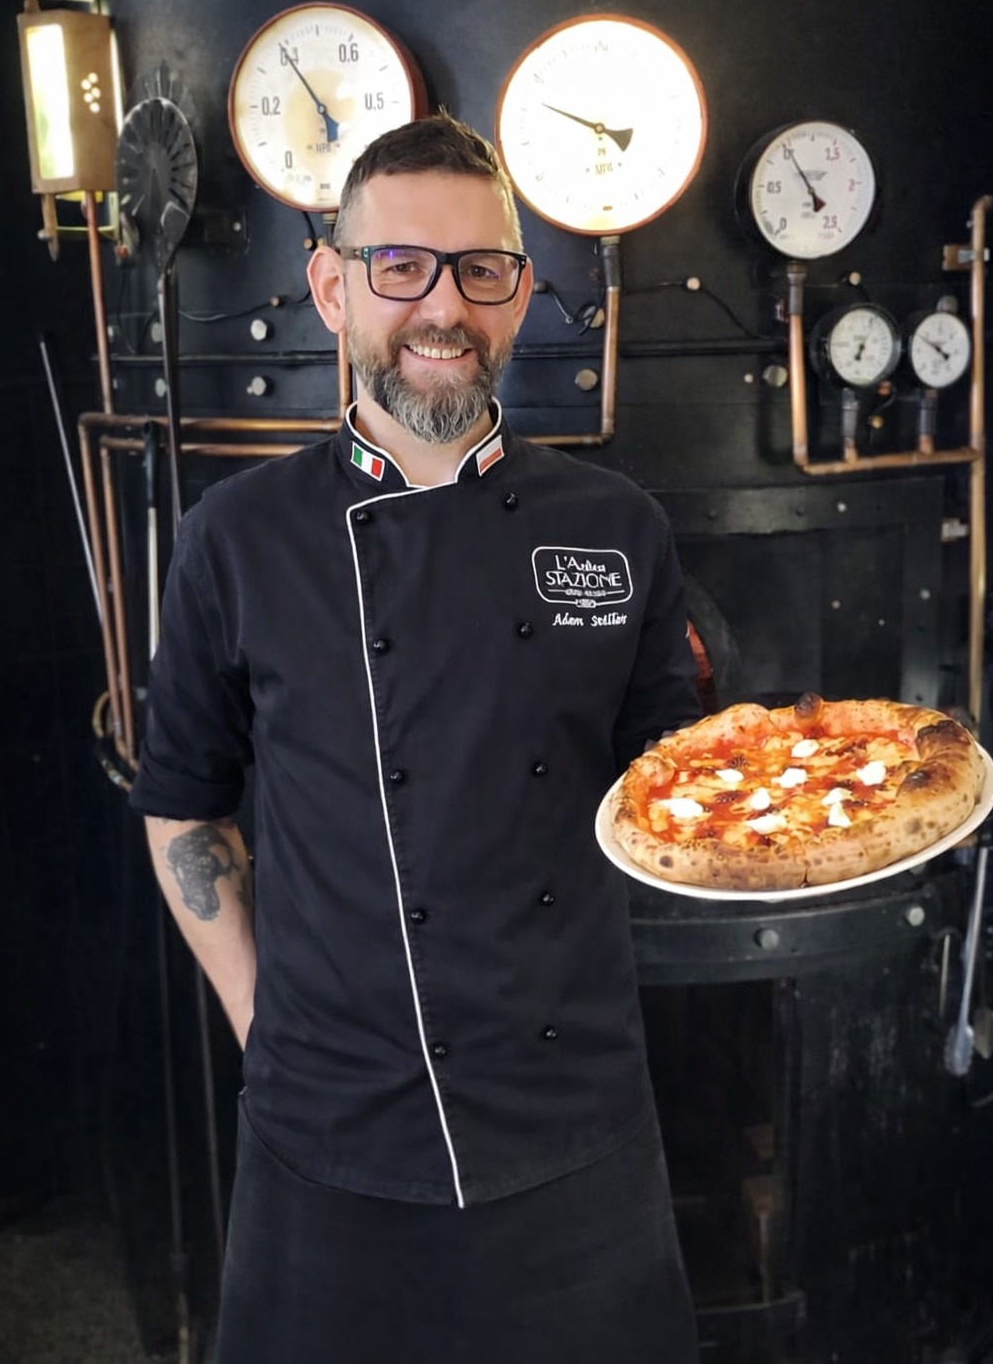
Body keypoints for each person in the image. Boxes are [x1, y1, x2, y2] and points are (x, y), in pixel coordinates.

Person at [129, 111, 702, 1363]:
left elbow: (682, 784)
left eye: (480, 269)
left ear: (521, 295)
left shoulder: (617, 527)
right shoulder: (238, 536)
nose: (443, 306)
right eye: (400, 266)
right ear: (333, 287)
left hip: (572, 1109)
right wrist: (266, 1024)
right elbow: (183, 802)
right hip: (327, 1123)